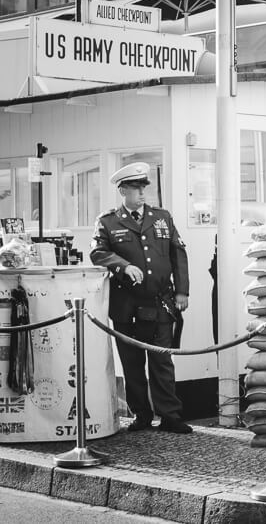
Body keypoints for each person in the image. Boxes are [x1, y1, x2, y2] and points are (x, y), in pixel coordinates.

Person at [90, 162, 192, 434]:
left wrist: (182, 291)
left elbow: (178, 254)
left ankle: (170, 416)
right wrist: (123, 266)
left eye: (143, 187)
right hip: (127, 305)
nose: (141, 192)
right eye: (135, 188)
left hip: (160, 303)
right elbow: (98, 253)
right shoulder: (108, 221)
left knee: (162, 361)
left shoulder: (162, 217)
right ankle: (142, 415)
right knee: (133, 364)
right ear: (122, 190)